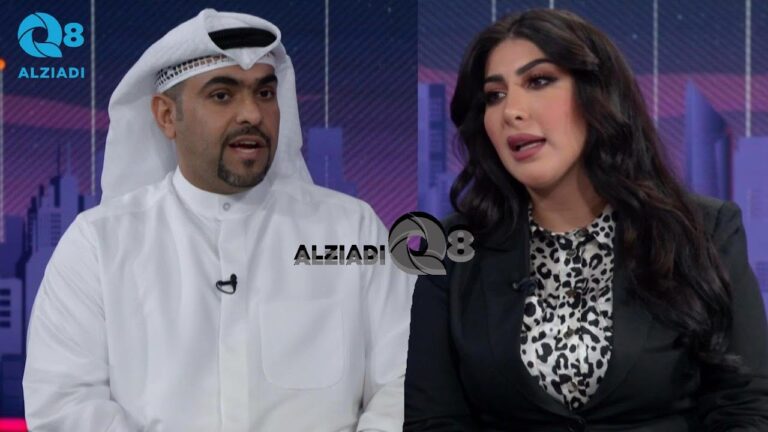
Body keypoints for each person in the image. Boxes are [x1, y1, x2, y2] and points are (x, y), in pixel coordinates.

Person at [23, 9, 414, 431]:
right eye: (223, 95)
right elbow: (64, 404)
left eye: (264, 93)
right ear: (166, 116)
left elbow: (405, 380)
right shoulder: (98, 244)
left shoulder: (351, 230)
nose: (252, 114)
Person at [404, 9, 768, 431]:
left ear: (599, 95)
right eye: (494, 95)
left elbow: (745, 407)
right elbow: (434, 420)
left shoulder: (704, 231)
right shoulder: (452, 249)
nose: (511, 111)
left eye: (539, 81)